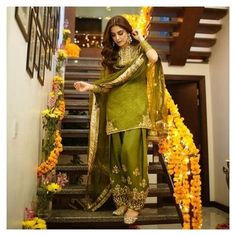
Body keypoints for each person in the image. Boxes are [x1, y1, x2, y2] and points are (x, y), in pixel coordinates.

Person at [74, 15, 166, 225]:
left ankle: (135, 204)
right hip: (114, 111)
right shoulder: (111, 58)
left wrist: (141, 39)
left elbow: (154, 58)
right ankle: (123, 200)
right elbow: (107, 84)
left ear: (128, 31)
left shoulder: (140, 50)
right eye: (113, 35)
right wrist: (89, 86)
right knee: (117, 159)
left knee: (130, 155)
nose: (117, 38)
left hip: (136, 111)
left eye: (121, 33)